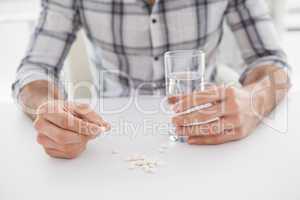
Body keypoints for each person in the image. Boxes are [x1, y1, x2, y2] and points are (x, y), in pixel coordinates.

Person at [12, 0, 290, 159]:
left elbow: (272, 63)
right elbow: (35, 69)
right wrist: (48, 109)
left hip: (206, 138)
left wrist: (254, 102)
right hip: (109, 141)